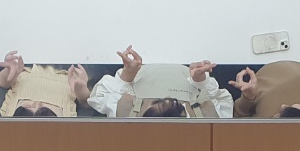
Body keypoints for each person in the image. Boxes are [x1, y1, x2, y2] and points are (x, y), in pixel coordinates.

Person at [88, 46, 233, 118]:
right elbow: (223, 101)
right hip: (191, 52)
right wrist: (200, 82)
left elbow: (98, 95)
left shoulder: (125, 111)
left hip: (145, 56)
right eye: (172, 102)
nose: (165, 96)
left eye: (157, 102)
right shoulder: (204, 115)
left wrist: (127, 74)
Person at [229, 38, 300, 119]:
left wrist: (248, 98)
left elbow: (239, 118)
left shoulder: (265, 121)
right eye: (286, 110)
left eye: (277, 115)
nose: (282, 105)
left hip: (257, 79)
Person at [0, 52, 94, 117]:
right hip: (73, 69)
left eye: (27, 107)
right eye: (46, 109)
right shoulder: (75, 128)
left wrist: (10, 72)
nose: (37, 103)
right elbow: (89, 106)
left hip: (26, 62)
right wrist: (81, 91)